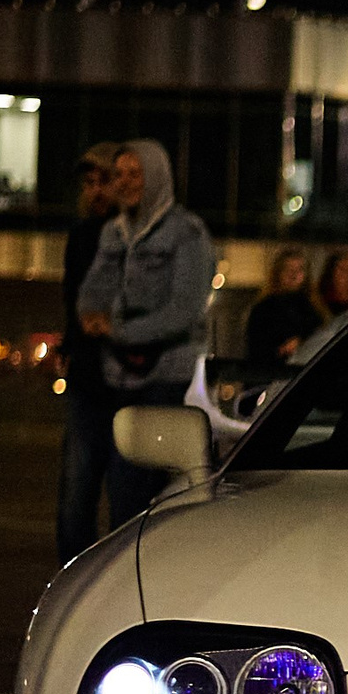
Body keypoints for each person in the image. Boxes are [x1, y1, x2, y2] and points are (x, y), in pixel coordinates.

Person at [78, 139, 215, 527]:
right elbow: (90, 296)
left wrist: (119, 330)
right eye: (118, 174)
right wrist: (92, 316)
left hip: (168, 377)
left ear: (156, 176)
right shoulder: (113, 233)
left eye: (134, 173)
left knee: (147, 489)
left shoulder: (187, 233)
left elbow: (184, 311)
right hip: (119, 377)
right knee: (121, 492)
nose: (124, 182)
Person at [55, 142, 120, 562]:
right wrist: (70, 342)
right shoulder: (80, 236)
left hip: (127, 379)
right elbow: (73, 300)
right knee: (75, 498)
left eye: (104, 182)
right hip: (86, 378)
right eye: (90, 183)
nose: (96, 191)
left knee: (125, 495)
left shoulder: (131, 234)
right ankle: (72, 578)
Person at [245, 246, 322, 368]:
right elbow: (257, 349)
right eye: (288, 269)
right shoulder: (264, 309)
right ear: (278, 273)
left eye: (299, 269)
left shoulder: (313, 308)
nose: (294, 275)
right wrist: (281, 349)